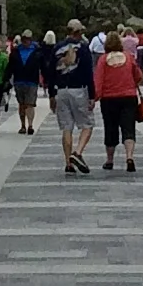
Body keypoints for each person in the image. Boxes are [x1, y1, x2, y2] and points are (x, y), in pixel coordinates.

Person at [94, 32, 143, 173]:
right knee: (128, 128)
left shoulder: (103, 60)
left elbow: (98, 81)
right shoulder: (128, 57)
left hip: (109, 99)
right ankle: (129, 157)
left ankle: (110, 160)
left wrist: (94, 98)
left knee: (110, 128)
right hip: (128, 97)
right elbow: (139, 76)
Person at [50, 21, 94, 175]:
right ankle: (78, 152)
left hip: (61, 91)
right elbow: (89, 73)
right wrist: (92, 96)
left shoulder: (56, 48)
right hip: (79, 89)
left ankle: (68, 162)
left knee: (66, 127)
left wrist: (51, 94)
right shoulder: (83, 48)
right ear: (79, 32)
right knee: (87, 124)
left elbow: (51, 72)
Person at [10, 29, 46, 135]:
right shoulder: (16, 51)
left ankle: (30, 125)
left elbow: (43, 66)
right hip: (19, 80)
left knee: (30, 104)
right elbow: (11, 66)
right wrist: (6, 80)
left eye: (28, 39)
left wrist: (46, 79)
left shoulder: (37, 51)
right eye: (24, 39)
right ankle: (22, 125)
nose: (26, 41)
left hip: (32, 81)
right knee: (21, 104)